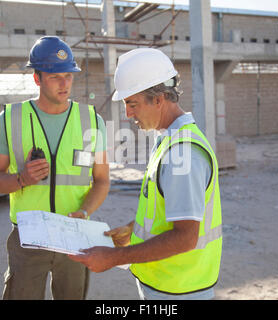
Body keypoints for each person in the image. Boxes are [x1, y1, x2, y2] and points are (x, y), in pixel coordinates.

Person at [69, 48, 222, 300]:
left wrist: (114, 258)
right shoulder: (168, 141)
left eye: (132, 103)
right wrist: (133, 230)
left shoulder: (183, 153)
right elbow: (166, 211)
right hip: (168, 284)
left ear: (159, 99)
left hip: (178, 290)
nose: (128, 114)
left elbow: (185, 237)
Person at [0, 36, 110, 300]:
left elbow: (101, 180)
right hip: (28, 239)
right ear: (37, 78)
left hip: (73, 235)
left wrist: (85, 210)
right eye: (55, 77)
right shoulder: (10, 120)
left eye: (69, 75)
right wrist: (21, 178)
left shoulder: (91, 121)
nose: (65, 84)